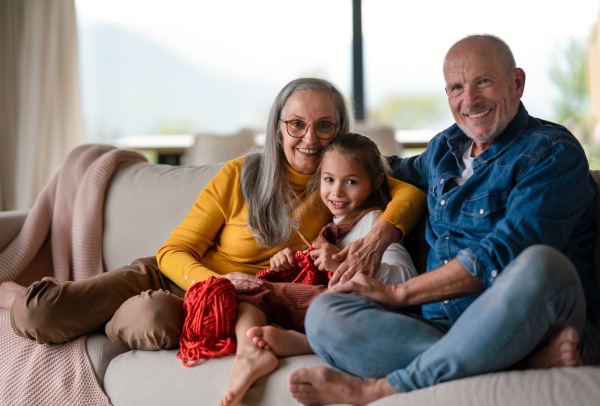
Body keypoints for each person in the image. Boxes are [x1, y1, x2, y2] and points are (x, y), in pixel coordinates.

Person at [0, 78, 425, 354]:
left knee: (151, 319)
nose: (309, 139)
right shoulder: (241, 173)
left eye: (324, 127)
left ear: (340, 131)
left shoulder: (343, 181)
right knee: (38, 315)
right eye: (296, 124)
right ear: (278, 128)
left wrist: (381, 235)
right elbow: (173, 250)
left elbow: (411, 193)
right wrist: (214, 281)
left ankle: (107, 319)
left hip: (211, 307)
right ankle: (14, 294)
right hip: (171, 279)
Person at [287, 34, 600, 406]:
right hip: (442, 327)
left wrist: (397, 293)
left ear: (517, 83)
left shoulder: (551, 152)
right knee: (325, 315)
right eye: (456, 87)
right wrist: (313, 153)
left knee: (541, 263)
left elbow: (499, 255)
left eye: (484, 81)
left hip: (534, 323)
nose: (469, 100)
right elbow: (384, 172)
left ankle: (383, 388)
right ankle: (516, 364)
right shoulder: (443, 149)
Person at [219, 132, 422, 406]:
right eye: (329, 180)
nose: (337, 192)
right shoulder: (332, 222)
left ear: (376, 183)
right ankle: (276, 344)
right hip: (330, 305)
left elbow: (406, 277)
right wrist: (286, 262)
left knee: (251, 289)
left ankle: (266, 350)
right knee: (251, 291)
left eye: (351, 181)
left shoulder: (373, 220)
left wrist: (343, 262)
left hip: (362, 310)